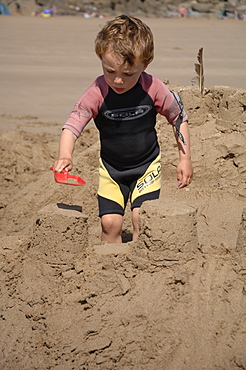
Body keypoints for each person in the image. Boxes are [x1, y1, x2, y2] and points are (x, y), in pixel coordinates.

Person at [53, 15, 193, 243]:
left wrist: (185, 159)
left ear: (145, 64)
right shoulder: (97, 92)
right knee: (110, 224)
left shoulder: (153, 88)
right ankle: (110, 268)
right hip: (111, 170)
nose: (118, 81)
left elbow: (178, 118)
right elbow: (72, 125)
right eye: (110, 71)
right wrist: (65, 155)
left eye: (128, 74)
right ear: (101, 60)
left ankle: (139, 269)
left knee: (141, 218)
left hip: (147, 166)